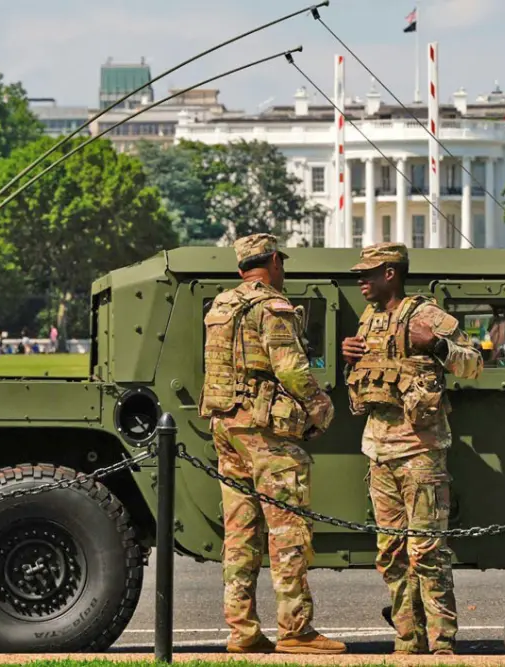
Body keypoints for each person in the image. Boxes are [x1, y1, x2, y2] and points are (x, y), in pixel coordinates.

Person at [198, 233, 343, 655]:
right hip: (266, 433)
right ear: (275, 261)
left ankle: (242, 631)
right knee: (288, 531)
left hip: (226, 427)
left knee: (240, 533)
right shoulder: (271, 306)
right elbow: (292, 369)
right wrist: (321, 410)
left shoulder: (221, 307)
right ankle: (296, 630)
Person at [341, 242, 483, 655]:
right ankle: (407, 641)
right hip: (378, 452)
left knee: (427, 552)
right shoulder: (369, 319)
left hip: (420, 452)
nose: (361, 282)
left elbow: (474, 363)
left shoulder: (427, 315)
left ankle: (441, 644)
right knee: (391, 553)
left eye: (368, 274)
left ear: (391, 273)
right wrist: (350, 357)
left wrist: (437, 345)